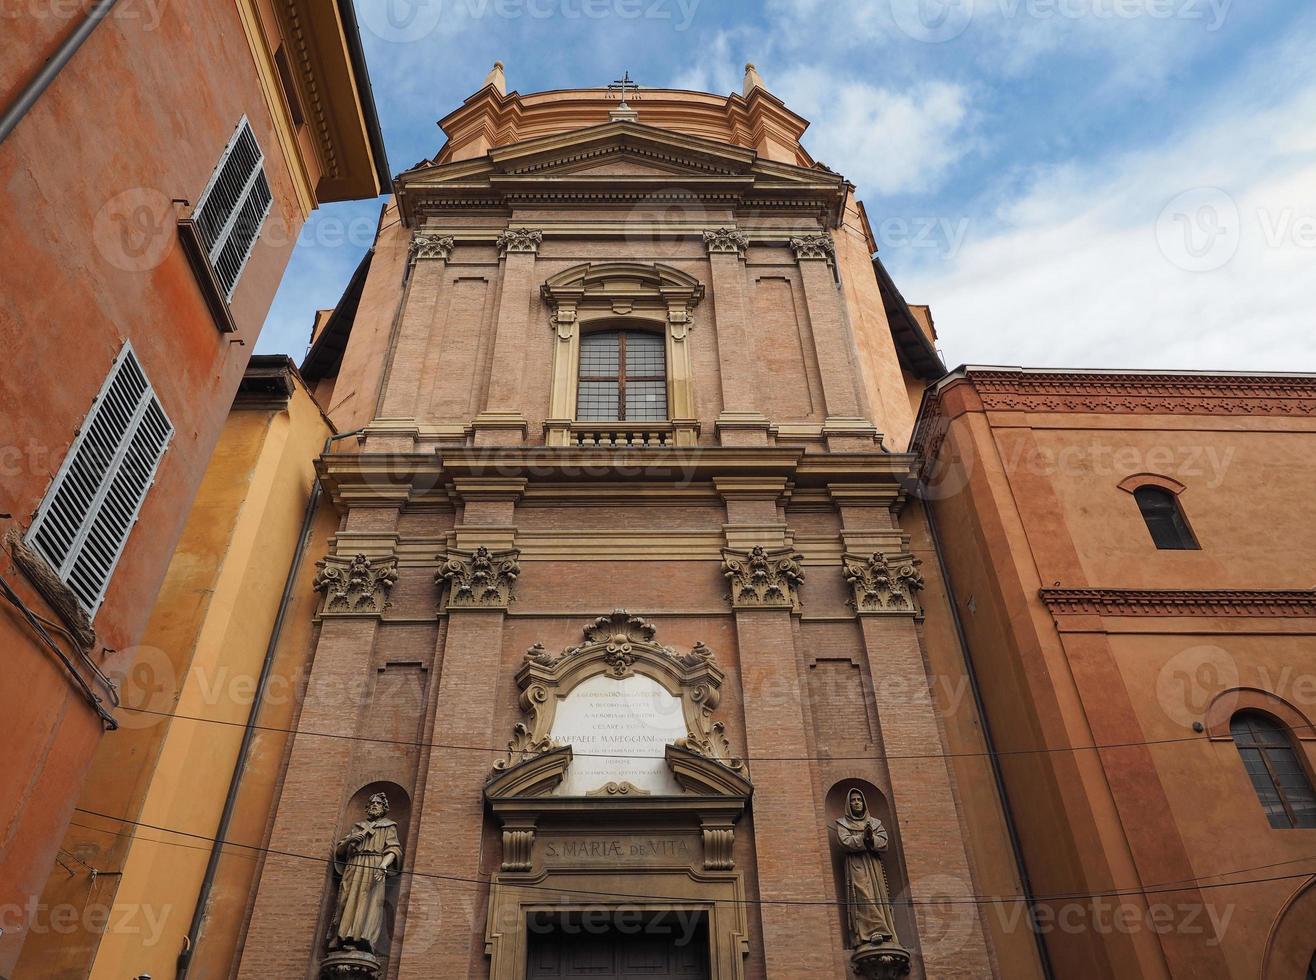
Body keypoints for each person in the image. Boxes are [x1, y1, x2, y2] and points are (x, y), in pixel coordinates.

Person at [330, 792, 402, 953]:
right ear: (368, 808)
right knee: (346, 900)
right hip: (354, 865)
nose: (375, 805)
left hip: (374, 866)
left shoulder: (389, 826)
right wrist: (350, 840)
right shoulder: (358, 826)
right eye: (372, 803)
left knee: (369, 902)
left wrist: (383, 865)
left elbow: (394, 849)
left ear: (384, 808)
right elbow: (340, 851)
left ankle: (363, 939)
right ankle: (342, 936)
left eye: (378, 803)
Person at [835, 788, 900, 948]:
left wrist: (872, 839)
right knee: (862, 894)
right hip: (856, 864)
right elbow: (844, 841)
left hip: (874, 864)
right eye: (853, 800)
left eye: (859, 800)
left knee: (877, 895)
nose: (856, 802)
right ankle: (868, 933)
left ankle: (885, 932)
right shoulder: (842, 823)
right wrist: (863, 837)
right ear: (848, 804)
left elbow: (883, 840)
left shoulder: (875, 823)